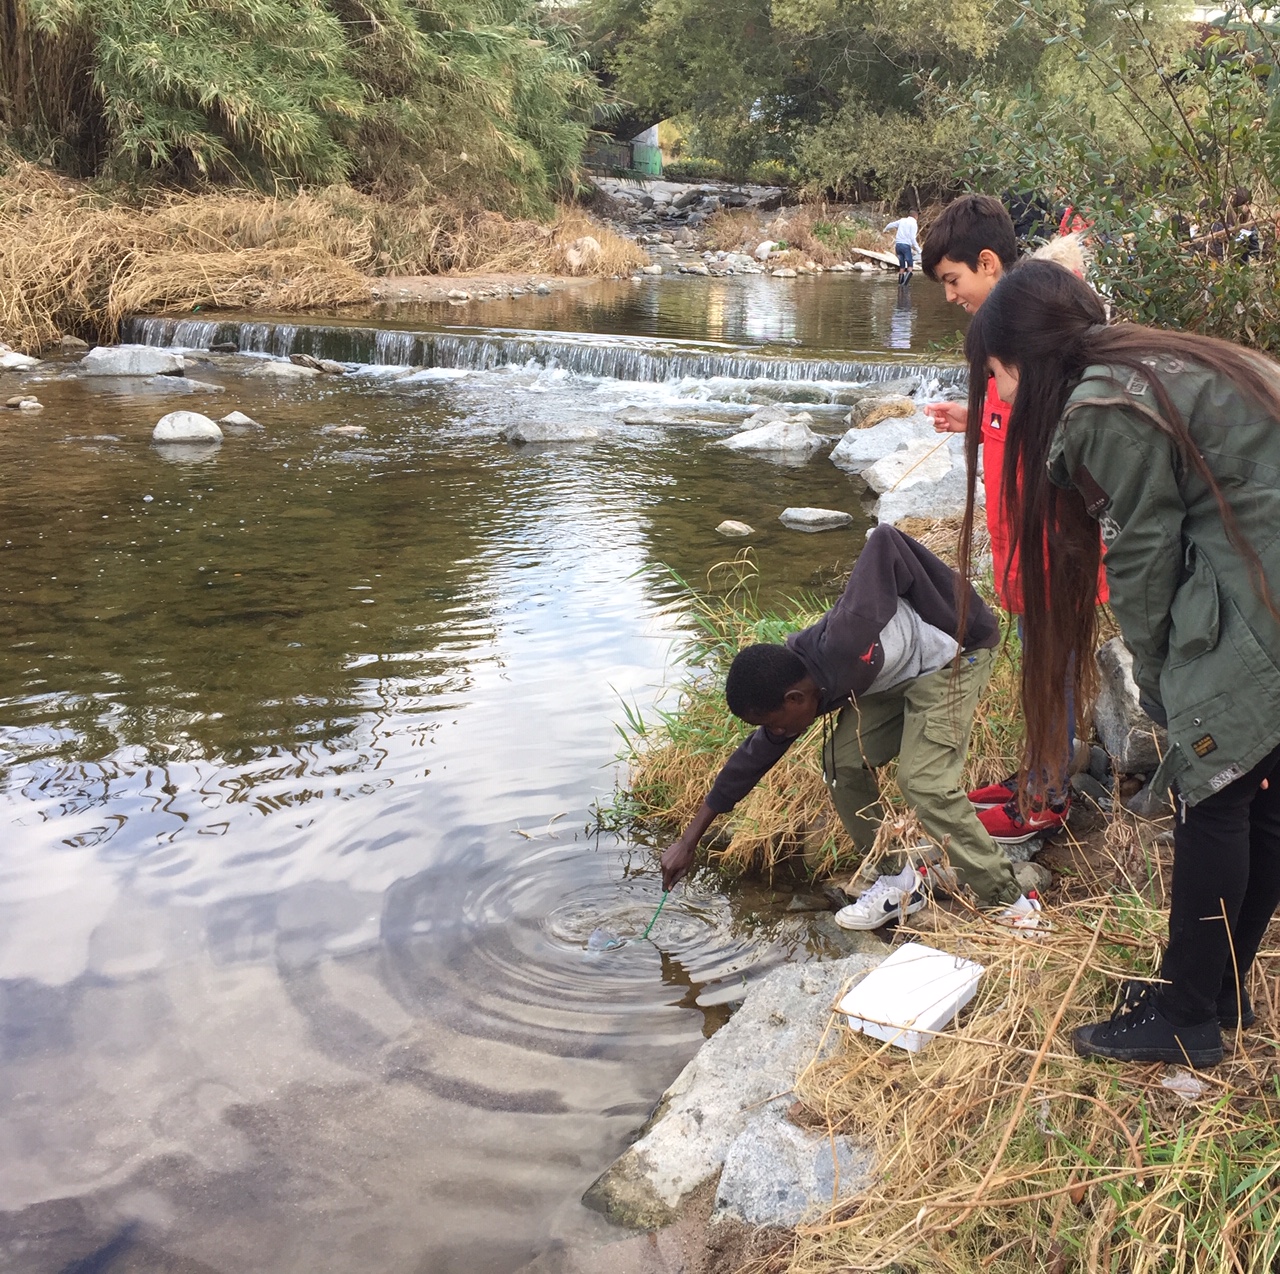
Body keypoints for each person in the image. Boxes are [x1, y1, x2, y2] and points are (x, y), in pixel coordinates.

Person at [963, 257, 1280, 1067]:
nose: (996, 398)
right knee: (1259, 792)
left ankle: (1185, 1019)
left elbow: (1143, 557)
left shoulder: (1105, 404)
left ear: (1028, 361)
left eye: (995, 376)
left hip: (1262, 591)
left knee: (1213, 794)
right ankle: (1215, 993)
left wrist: (1158, 677)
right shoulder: (1152, 360)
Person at [659, 524, 1042, 931]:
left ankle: (1011, 901)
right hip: (898, 675)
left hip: (956, 657)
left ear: (795, 700)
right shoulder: (797, 682)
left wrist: (951, 611)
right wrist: (689, 841)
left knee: (923, 782)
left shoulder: (845, 639)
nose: (777, 733)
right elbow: (751, 760)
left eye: (774, 723)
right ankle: (898, 882)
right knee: (840, 762)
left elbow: (885, 540)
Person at [921, 194, 1102, 844]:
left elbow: (1059, 446)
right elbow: (1018, 421)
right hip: (1024, 555)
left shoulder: (1044, 345)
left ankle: (1050, 796)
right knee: (1039, 669)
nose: (949, 297)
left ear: (990, 263)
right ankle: (1043, 773)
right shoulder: (1014, 352)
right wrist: (976, 418)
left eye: (953, 281)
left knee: (1051, 673)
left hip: (1052, 556)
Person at [883, 210, 922, 284]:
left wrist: (885, 230)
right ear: (916, 216)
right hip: (906, 246)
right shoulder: (913, 224)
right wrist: (919, 250)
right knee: (910, 266)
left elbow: (890, 225)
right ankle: (904, 285)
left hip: (898, 246)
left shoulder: (902, 220)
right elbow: (912, 238)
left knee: (902, 266)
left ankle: (900, 285)